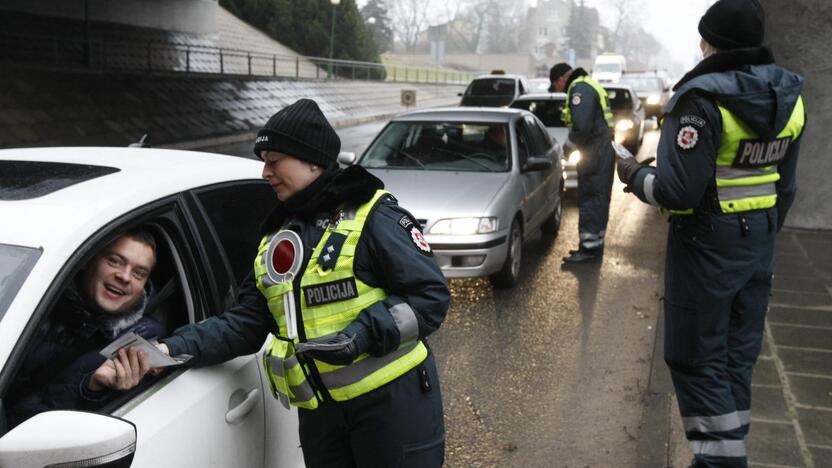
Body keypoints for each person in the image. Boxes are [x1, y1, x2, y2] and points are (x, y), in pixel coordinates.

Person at [156, 98, 450, 468]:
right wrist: (169, 349)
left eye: (274, 161)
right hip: (321, 416)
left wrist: (362, 335)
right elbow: (244, 323)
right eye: (264, 161)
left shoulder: (374, 216)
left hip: (394, 408)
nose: (265, 172)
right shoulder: (275, 239)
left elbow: (430, 298)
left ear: (312, 160)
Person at [616, 1, 805, 466]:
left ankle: (722, 461)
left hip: (707, 248)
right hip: (758, 243)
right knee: (735, 360)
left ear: (711, 40)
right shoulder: (790, 97)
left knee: (696, 359)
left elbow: (679, 192)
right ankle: (720, 454)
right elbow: (787, 187)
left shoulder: (702, 98)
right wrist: (758, 238)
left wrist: (633, 174)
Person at [6, 229, 163, 428]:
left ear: (143, 285)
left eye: (139, 273)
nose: (124, 276)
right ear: (88, 261)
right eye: (115, 261)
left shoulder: (143, 338)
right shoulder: (36, 295)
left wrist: (92, 390)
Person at [549, 61, 616, 263]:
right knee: (597, 200)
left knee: (590, 199)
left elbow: (581, 128)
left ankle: (589, 250)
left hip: (595, 153)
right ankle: (593, 246)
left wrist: (566, 150)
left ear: (561, 79)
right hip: (599, 151)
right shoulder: (587, 84)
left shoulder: (580, 90)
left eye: (556, 86)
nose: (559, 90)